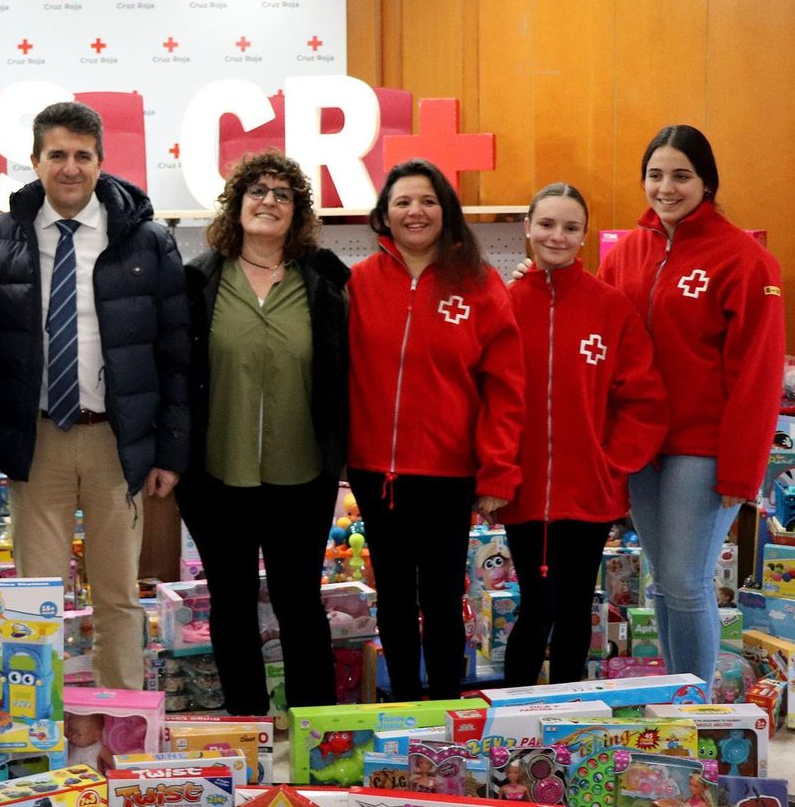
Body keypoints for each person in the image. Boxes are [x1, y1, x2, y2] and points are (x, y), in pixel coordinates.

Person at [0, 101, 188, 690]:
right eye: (57, 155)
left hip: (116, 441)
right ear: (36, 161)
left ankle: (122, 725)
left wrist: (169, 451)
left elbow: (175, 353)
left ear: (101, 161)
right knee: (30, 603)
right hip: (36, 439)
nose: (71, 168)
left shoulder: (147, 240)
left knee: (118, 595)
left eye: (83, 156)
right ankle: (37, 728)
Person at [598, 125, 785, 684]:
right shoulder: (628, 253)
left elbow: (759, 372)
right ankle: (676, 703)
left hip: (703, 449)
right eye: (655, 175)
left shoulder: (744, 259)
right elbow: (595, 326)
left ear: (707, 182)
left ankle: (699, 713)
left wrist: (743, 467)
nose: (666, 188)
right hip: (642, 445)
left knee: (685, 579)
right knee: (664, 580)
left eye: (681, 176)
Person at [175, 149, 347, 713]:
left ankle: (313, 728)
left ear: (297, 212)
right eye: (257, 190)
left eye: (282, 193)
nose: (269, 201)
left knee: (301, 600)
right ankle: (246, 720)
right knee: (231, 600)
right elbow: (174, 371)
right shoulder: (197, 281)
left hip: (303, 472)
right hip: (215, 472)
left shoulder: (324, 282)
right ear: (236, 204)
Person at [345, 159, 524, 701]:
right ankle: (403, 703)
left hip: (449, 473)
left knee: (443, 598)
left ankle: (447, 711)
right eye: (402, 202)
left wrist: (497, 469)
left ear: (446, 212)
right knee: (394, 597)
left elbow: (505, 387)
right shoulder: (359, 281)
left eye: (426, 201)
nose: (414, 211)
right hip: (376, 471)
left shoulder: (479, 284)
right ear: (384, 214)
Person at [500, 183, 667, 687]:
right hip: (523, 490)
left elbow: (643, 397)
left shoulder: (610, 307)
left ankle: (569, 714)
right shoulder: (504, 303)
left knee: (576, 607)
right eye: (546, 224)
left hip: (591, 491)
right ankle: (513, 717)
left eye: (570, 227)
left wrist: (612, 461)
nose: (557, 236)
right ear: (527, 228)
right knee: (536, 605)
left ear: (585, 235)